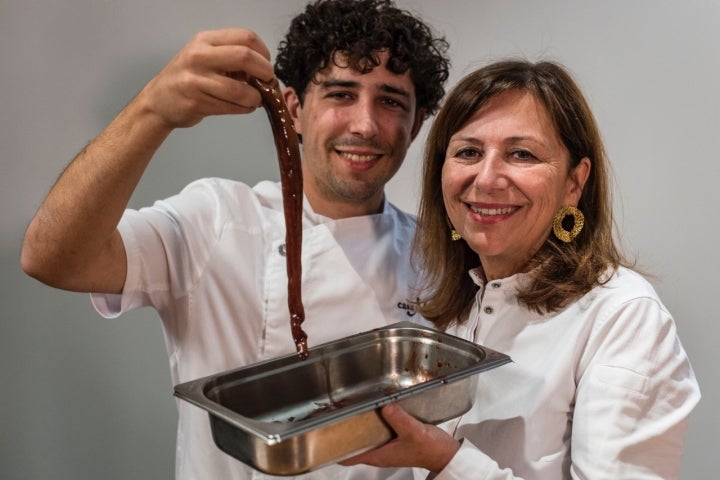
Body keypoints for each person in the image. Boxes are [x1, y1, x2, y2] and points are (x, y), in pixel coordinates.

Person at [20, 0, 450, 478]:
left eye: (391, 101)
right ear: (293, 110)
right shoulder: (218, 219)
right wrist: (152, 110)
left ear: (416, 124)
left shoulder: (437, 258)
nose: (365, 124)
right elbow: (51, 258)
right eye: (341, 95)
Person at [342, 60, 701, 479]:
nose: (487, 178)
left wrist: (446, 460)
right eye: (469, 152)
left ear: (574, 182)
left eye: (521, 154)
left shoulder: (623, 316)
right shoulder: (455, 303)